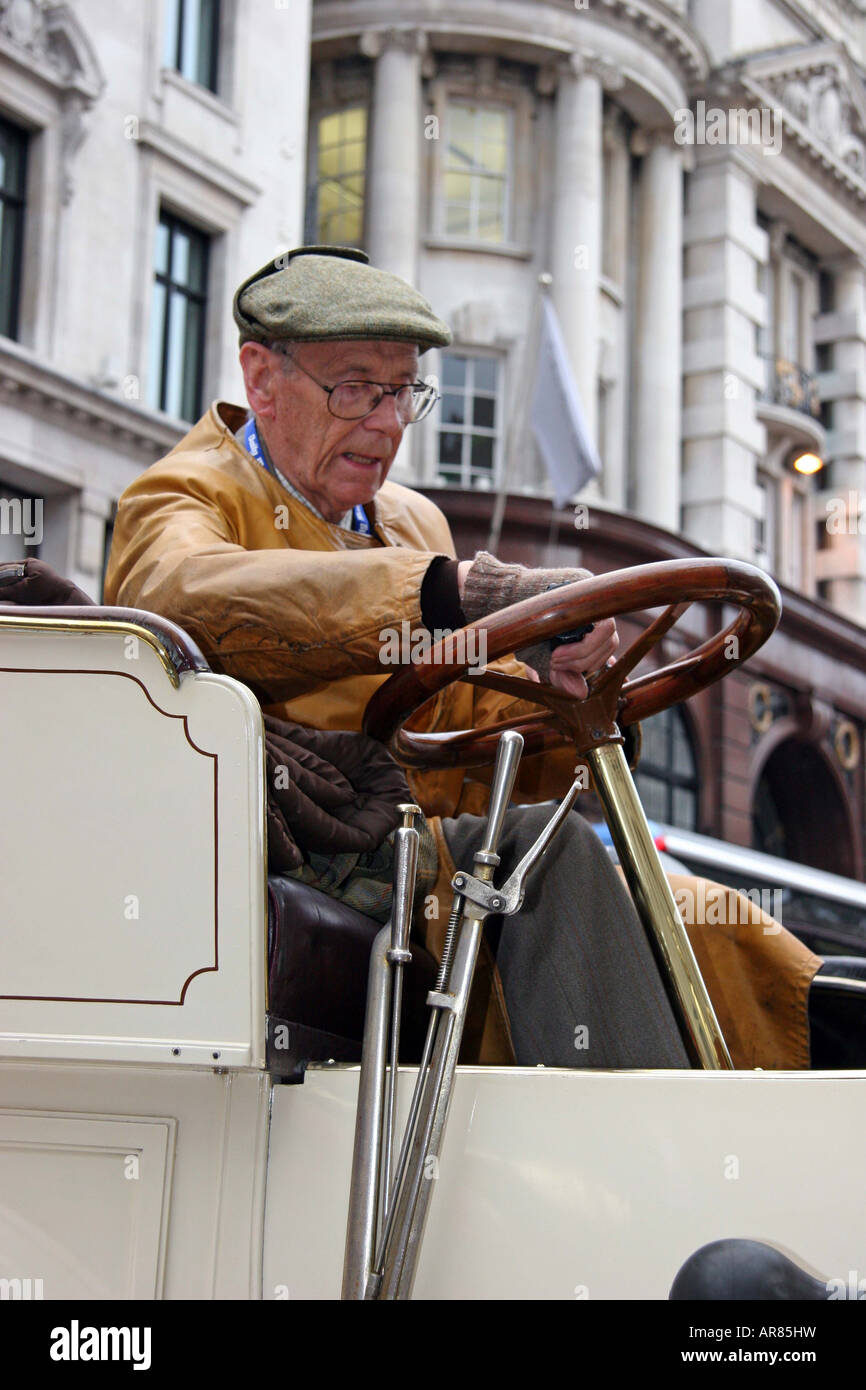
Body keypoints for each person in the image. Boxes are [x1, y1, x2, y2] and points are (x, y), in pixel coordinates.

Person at [104, 245, 820, 1071]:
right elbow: (185, 601)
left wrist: (571, 687)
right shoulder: (185, 494)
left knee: (703, 914)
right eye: (354, 390)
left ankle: (795, 1108)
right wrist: (456, 594)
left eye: (403, 391)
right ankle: (635, 1168)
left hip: (431, 855)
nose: (386, 423)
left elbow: (469, 722)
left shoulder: (412, 521)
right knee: (548, 861)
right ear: (261, 378)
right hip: (322, 850)